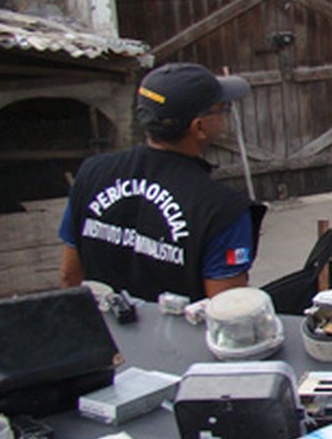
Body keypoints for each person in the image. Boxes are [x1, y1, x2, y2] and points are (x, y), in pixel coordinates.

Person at [59, 62, 261, 302]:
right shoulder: (222, 209)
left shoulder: (92, 172)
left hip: (106, 332)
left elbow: (69, 277)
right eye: (223, 109)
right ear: (199, 127)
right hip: (178, 339)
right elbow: (229, 311)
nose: (226, 115)